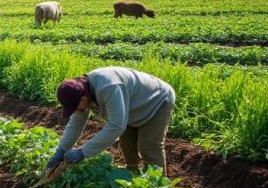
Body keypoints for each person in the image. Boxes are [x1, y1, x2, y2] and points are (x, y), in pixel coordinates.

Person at [47, 67, 176, 174]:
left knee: (148, 147)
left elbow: (116, 126)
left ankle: (157, 185)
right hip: (132, 104)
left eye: (75, 107)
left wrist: (82, 153)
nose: (76, 111)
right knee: (126, 142)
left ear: (83, 99)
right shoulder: (82, 92)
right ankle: (132, 173)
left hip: (157, 100)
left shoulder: (108, 87)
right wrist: (61, 150)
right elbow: (76, 124)